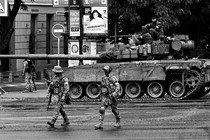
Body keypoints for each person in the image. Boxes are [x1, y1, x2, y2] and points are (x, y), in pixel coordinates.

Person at [94, 65, 121, 129]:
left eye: (106, 70)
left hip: (112, 95)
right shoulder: (103, 78)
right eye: (104, 70)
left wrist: (115, 92)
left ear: (109, 70)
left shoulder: (113, 78)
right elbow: (103, 86)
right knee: (102, 109)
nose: (105, 71)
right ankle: (100, 123)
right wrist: (100, 88)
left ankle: (118, 121)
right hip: (105, 96)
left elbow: (117, 86)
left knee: (114, 110)